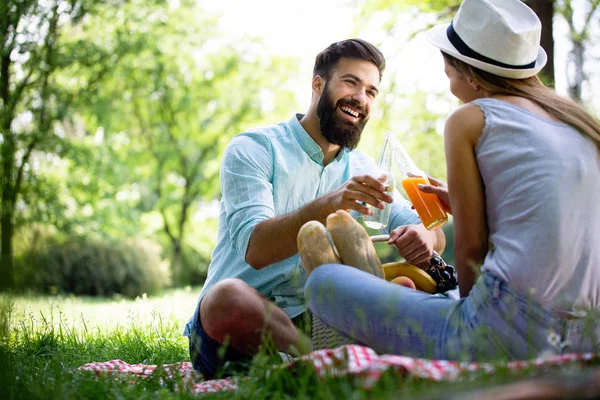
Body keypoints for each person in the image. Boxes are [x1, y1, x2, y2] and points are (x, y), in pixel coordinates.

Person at [304, 0, 600, 361]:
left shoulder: (471, 119)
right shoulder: (575, 125)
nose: (449, 86)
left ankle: (350, 360)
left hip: (505, 335)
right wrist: (472, 205)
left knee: (323, 283)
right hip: (587, 335)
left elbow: (471, 252)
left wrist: (469, 321)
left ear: (471, 74)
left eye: (449, 73)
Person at [183, 38, 447, 379]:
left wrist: (423, 235)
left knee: (403, 289)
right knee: (225, 297)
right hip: (239, 330)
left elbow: (434, 233)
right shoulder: (254, 149)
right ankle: (331, 361)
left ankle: (327, 357)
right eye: (350, 82)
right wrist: (332, 202)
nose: (360, 98)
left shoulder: (367, 170)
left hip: (321, 321)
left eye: (371, 91)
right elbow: (257, 249)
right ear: (318, 84)